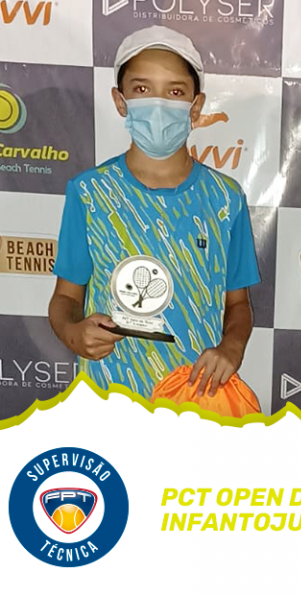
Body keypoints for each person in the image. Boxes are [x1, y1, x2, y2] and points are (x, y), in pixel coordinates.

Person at [49, 25, 260, 400]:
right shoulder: (89, 193)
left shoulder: (225, 199)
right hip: (111, 394)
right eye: (142, 89)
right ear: (120, 101)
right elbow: (65, 298)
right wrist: (72, 332)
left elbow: (238, 304)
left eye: (175, 91)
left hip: (195, 397)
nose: (159, 105)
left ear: (196, 106)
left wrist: (232, 347)